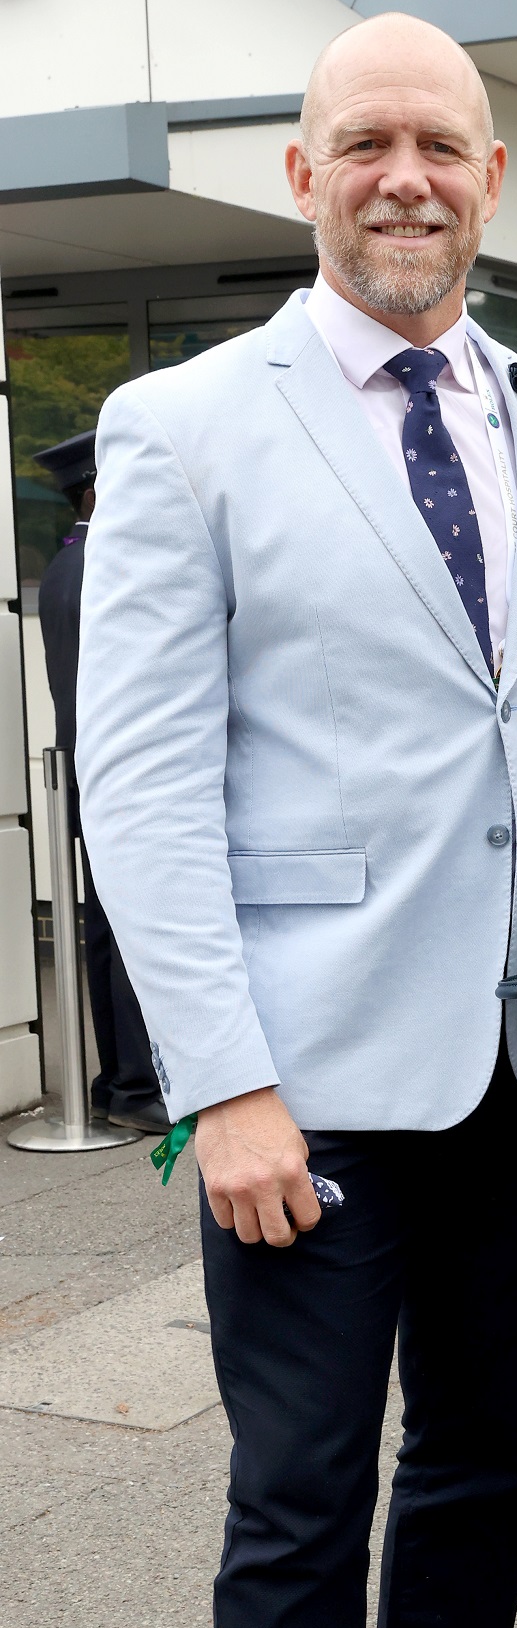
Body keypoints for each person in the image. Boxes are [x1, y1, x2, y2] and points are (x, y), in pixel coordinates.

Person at [75, 14, 517, 1628]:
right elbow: (145, 783)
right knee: (298, 1496)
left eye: (441, 147)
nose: (406, 179)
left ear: (493, 182)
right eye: (367, 144)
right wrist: (223, 1085)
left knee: (474, 1470)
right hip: (303, 1085)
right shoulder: (184, 424)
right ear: (303, 172)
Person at [33, 431, 169, 1135]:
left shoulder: (67, 564)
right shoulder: (103, 566)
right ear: (97, 487)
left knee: (104, 929)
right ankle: (136, 1082)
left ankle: (115, 1079)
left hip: (89, 771)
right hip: (119, 774)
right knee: (128, 929)